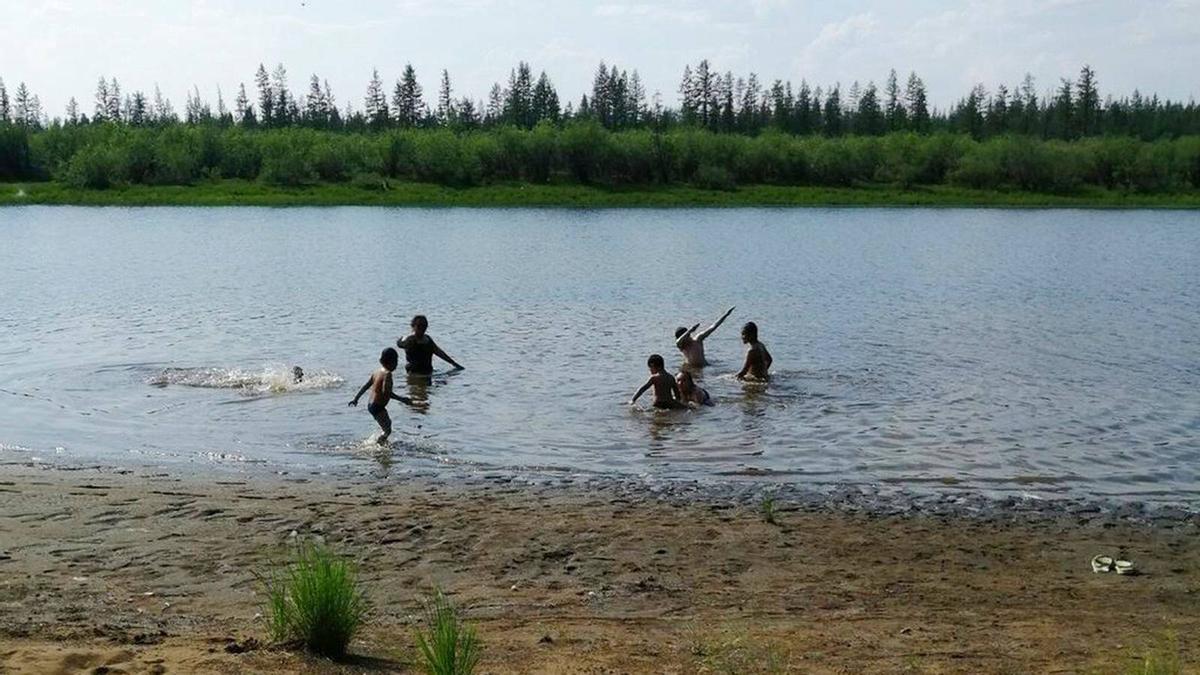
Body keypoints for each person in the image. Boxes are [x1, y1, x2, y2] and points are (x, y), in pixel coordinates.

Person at [348, 348, 413, 444]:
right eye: (396, 362)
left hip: (371, 404)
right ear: (393, 362)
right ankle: (378, 445)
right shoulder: (387, 374)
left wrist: (356, 399)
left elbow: (366, 386)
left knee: (387, 425)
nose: (396, 364)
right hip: (378, 407)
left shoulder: (377, 372)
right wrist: (402, 399)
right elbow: (386, 392)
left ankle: (381, 443)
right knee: (388, 430)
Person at [396, 315, 464, 376]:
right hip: (413, 373)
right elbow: (400, 344)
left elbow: (439, 353)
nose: (422, 329)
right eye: (419, 326)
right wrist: (404, 339)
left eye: (424, 326)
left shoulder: (427, 340)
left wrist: (454, 364)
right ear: (413, 326)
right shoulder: (409, 339)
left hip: (427, 372)